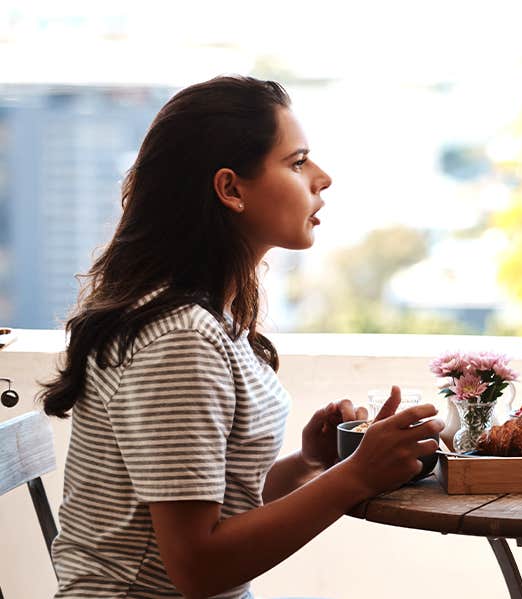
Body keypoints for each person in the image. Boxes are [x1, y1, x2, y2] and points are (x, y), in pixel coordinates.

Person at [39, 75, 444, 598]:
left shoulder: (206, 318)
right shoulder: (179, 339)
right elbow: (198, 567)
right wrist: (357, 477)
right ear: (231, 189)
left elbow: (220, 512)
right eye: (297, 163)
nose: (322, 178)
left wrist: (311, 465)